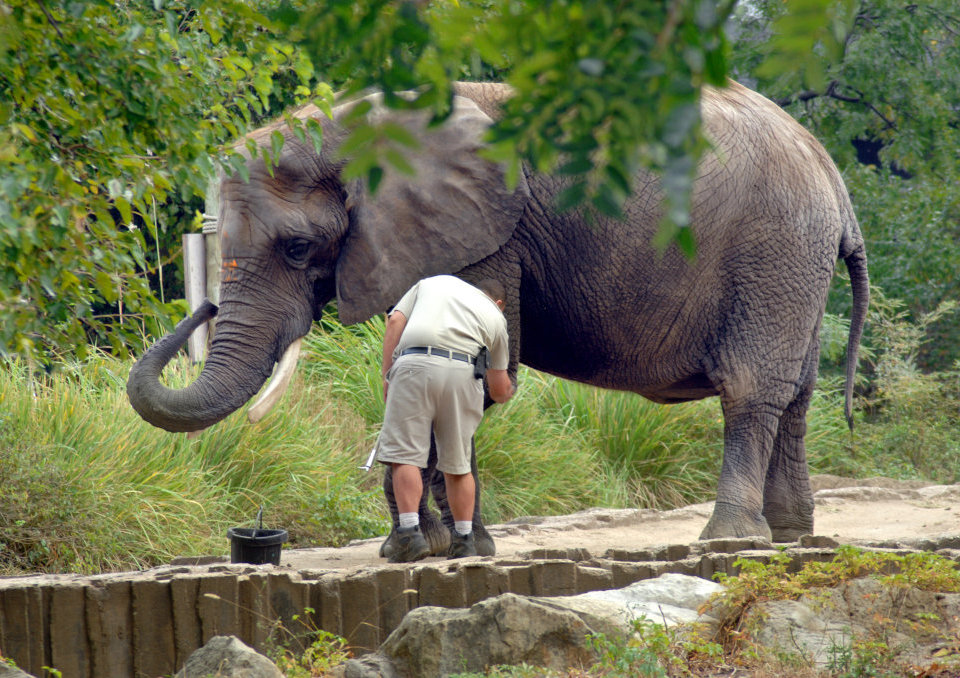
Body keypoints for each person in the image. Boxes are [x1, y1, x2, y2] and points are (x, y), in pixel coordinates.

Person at [376, 274, 515, 562]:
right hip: (463, 373)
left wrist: (388, 375)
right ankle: (465, 540)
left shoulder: (431, 283)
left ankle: (409, 535)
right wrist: (507, 391)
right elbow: (499, 390)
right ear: (498, 302)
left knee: (406, 457)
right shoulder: (496, 317)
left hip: (414, 364)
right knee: (458, 464)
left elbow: (395, 322)